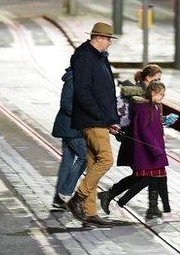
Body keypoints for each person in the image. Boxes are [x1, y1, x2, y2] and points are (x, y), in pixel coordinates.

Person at [66, 22, 120, 227]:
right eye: (108, 39)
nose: (109, 43)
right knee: (105, 160)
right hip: (92, 119)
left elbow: (105, 92)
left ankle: (89, 211)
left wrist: (111, 120)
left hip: (99, 119)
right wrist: (101, 116)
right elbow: (83, 92)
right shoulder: (85, 57)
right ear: (98, 38)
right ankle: (78, 199)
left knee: (93, 164)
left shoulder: (98, 57)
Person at [99, 64, 163, 215]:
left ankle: (152, 207)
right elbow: (139, 122)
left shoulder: (149, 94)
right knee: (143, 175)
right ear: (147, 78)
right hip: (138, 142)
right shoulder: (138, 96)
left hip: (144, 142)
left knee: (151, 174)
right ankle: (110, 194)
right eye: (156, 79)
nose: (159, 82)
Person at [130, 81, 170, 220]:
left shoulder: (155, 106)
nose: (163, 98)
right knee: (142, 179)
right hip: (149, 151)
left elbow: (153, 126)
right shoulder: (144, 108)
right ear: (153, 93)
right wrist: (156, 148)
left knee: (154, 178)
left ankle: (155, 207)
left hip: (154, 150)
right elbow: (144, 130)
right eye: (161, 95)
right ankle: (115, 198)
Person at [50, 66, 87, 210]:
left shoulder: (80, 78)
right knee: (86, 157)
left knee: (67, 162)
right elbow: (66, 104)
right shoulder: (73, 79)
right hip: (70, 128)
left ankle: (58, 200)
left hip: (71, 127)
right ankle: (65, 192)